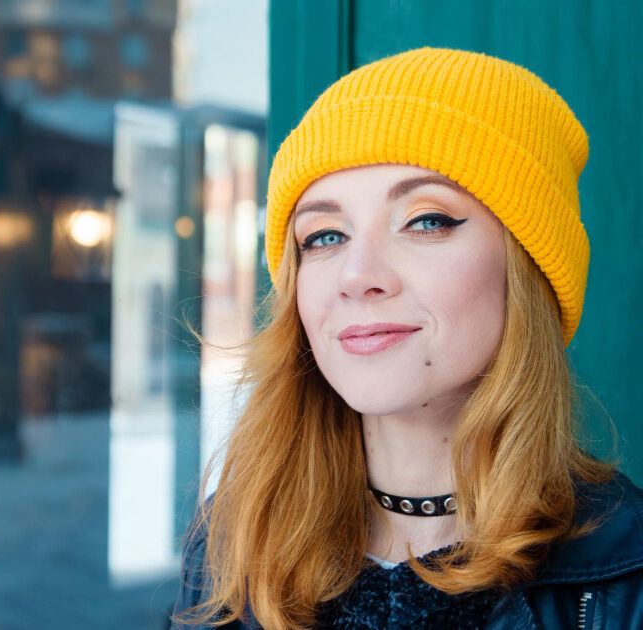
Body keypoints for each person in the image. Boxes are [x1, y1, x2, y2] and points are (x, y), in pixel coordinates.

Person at [170, 47, 643, 630]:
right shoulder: (229, 544)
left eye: (427, 220)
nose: (357, 275)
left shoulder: (626, 579)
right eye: (323, 236)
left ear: (527, 269)